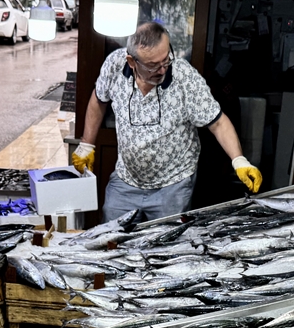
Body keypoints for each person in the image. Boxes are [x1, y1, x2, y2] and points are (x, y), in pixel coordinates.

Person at [73, 22, 263, 222]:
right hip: (126, 180)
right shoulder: (115, 65)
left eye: (166, 59)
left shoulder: (185, 77)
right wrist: (87, 144)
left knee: (167, 247)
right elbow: (98, 99)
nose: (163, 69)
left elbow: (218, 122)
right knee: (112, 238)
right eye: (153, 65)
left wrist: (239, 160)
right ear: (131, 61)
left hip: (173, 185)